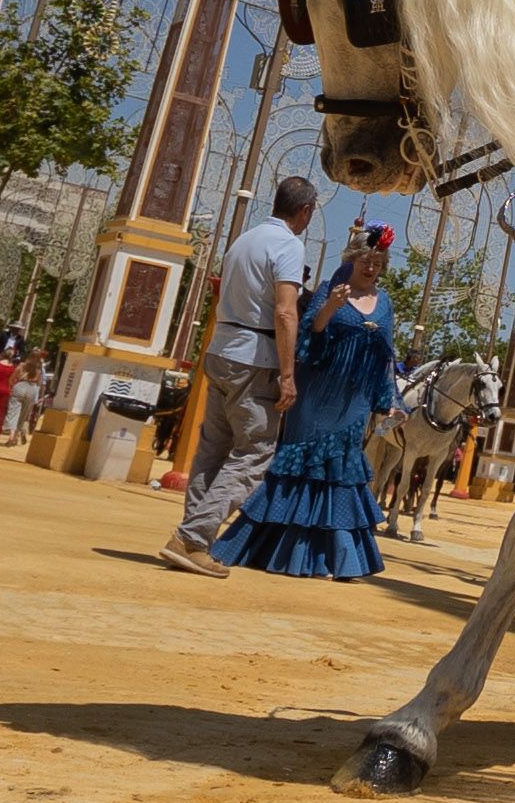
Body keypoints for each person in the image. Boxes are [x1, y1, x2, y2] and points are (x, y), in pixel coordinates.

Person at [208, 233, 401, 580]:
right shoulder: (330, 289)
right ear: (351, 260)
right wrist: (330, 308)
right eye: (365, 261)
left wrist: (389, 401)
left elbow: (387, 355)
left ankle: (338, 558)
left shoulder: (385, 301)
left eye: (377, 263)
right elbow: (308, 338)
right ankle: (277, 550)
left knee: (342, 470)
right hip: (317, 393)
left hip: (355, 401)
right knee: (303, 466)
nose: (371, 268)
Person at [161, 175, 322, 576]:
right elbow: (285, 311)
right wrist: (288, 374)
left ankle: (193, 540)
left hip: (221, 348)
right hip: (255, 357)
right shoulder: (288, 245)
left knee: (212, 451)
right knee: (254, 453)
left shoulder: (244, 240)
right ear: (305, 211)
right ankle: (192, 538)